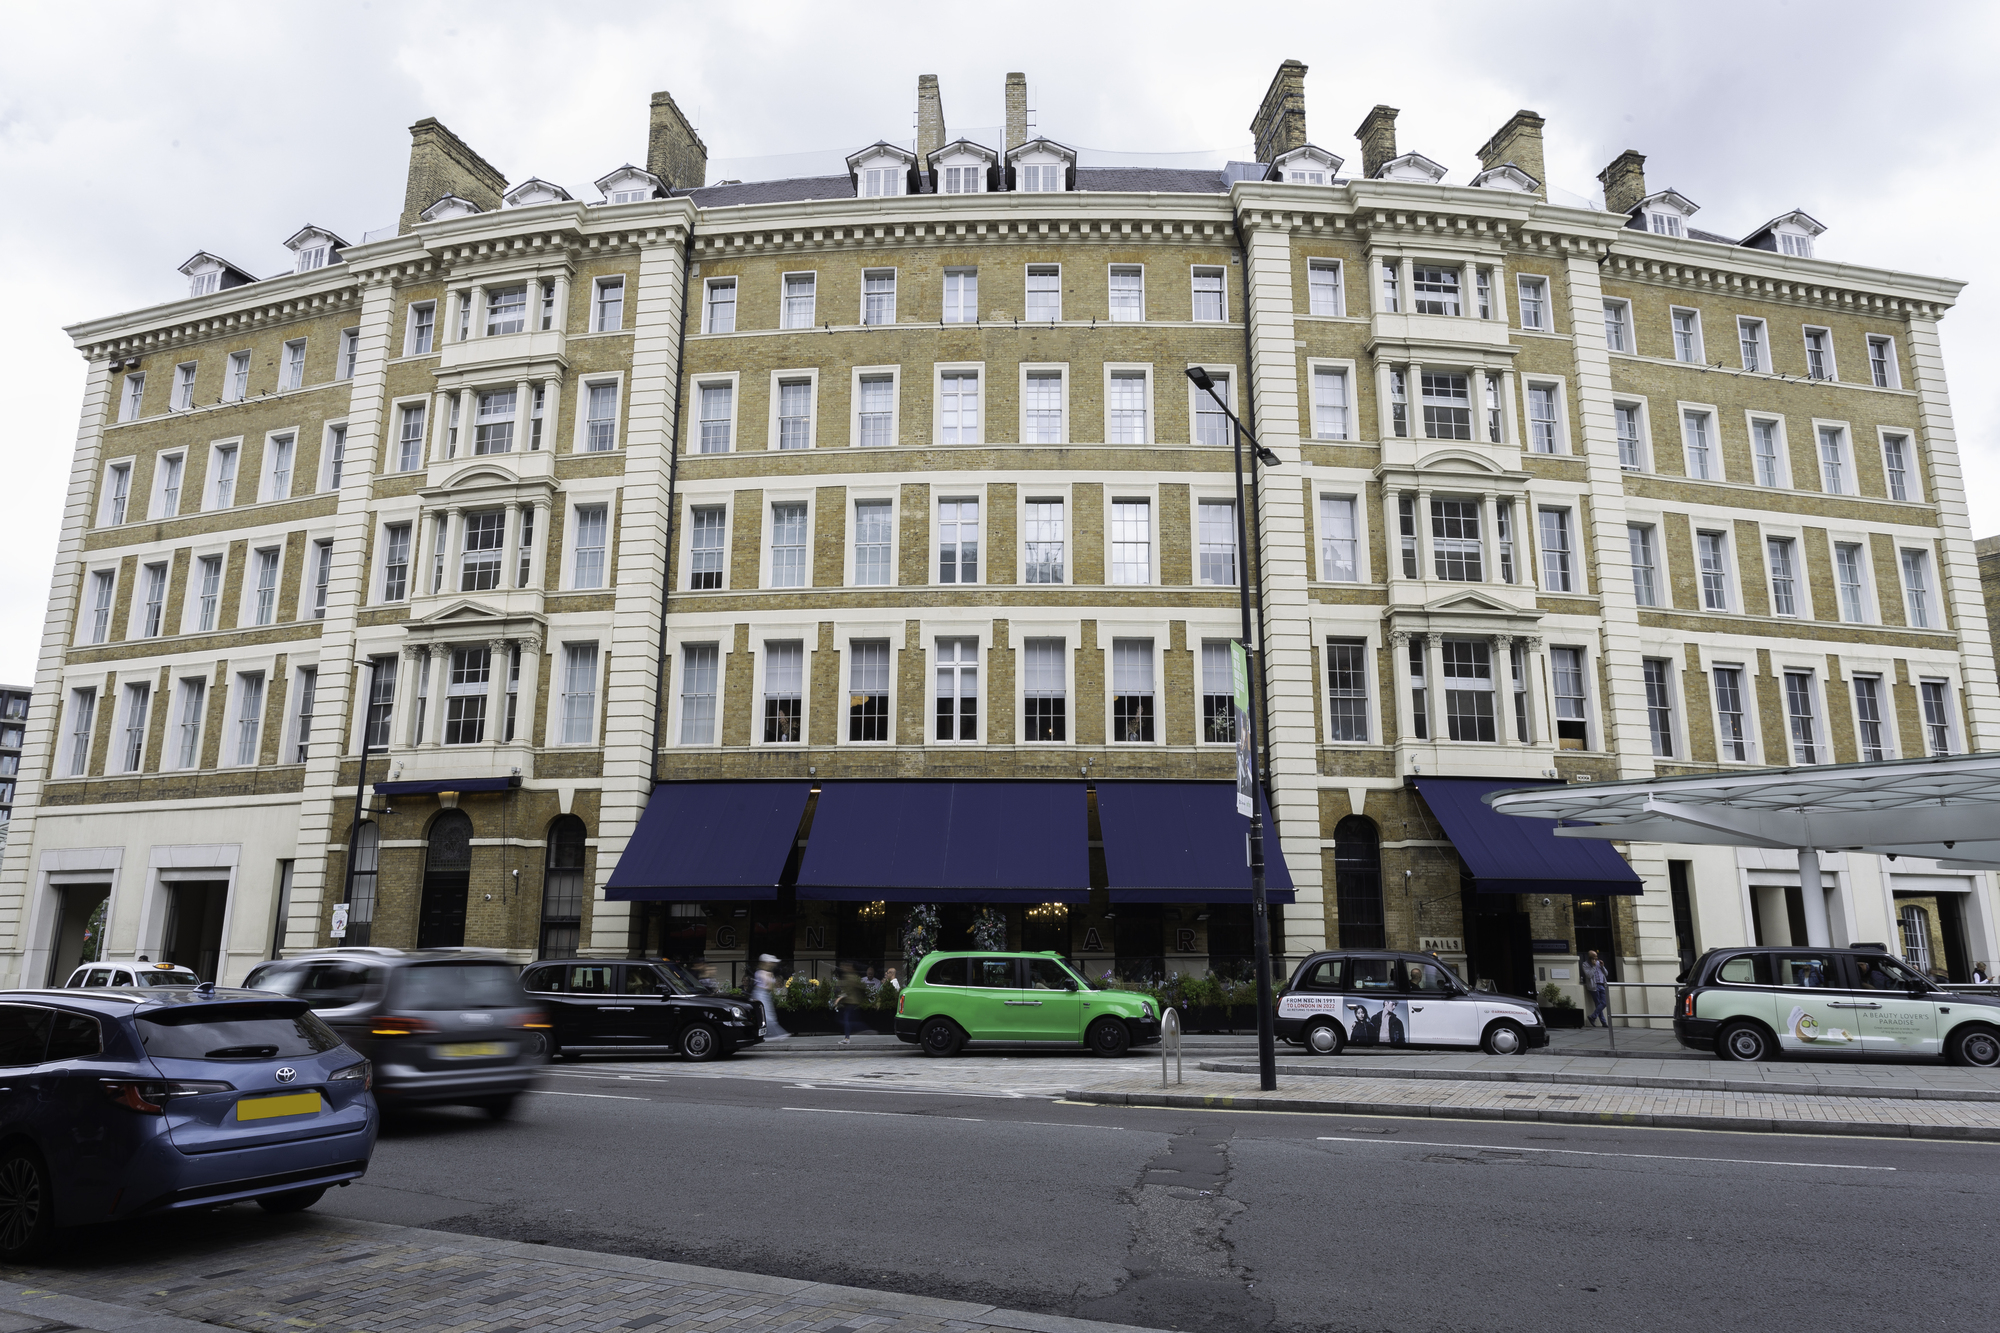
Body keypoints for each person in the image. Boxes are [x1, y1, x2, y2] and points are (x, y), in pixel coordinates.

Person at [752, 954, 787, 1041]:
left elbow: (771, 987)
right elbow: (767, 986)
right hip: (760, 994)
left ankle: (771, 1033)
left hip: (766, 995)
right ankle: (770, 1034)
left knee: (769, 1014)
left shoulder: (768, 973)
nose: (773, 965)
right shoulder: (761, 973)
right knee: (766, 1015)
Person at [837, 960, 868, 1047]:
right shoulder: (852, 976)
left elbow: (848, 991)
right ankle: (852, 1035)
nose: (842, 968)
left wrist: (839, 998)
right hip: (852, 1002)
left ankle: (862, 1030)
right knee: (848, 1020)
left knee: (846, 1020)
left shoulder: (849, 977)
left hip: (850, 1002)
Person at [1582, 951, 1611, 1028]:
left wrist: (1602, 966)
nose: (1597, 958)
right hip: (1593, 986)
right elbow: (1589, 975)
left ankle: (1593, 1016)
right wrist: (1594, 966)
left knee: (1604, 1003)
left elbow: (1606, 974)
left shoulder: (1599, 963)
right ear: (1590, 958)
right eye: (1595, 957)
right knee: (1598, 1004)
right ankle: (1604, 1022)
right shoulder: (1585, 964)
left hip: (1602, 985)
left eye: (1596, 956)